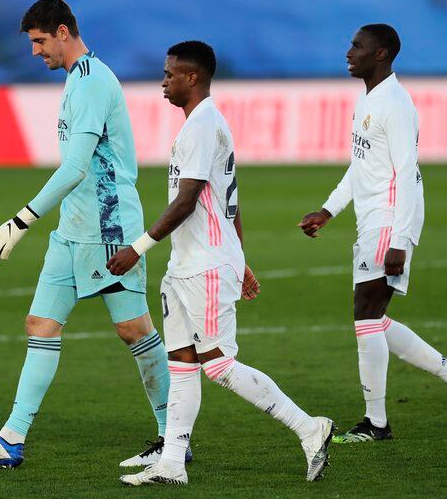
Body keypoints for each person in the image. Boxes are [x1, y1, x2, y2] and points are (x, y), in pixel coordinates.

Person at [0, 0, 187, 468]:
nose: (35, 52)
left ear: (63, 31)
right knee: (41, 325)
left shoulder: (94, 82)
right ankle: (11, 439)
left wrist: (20, 221)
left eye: (39, 41)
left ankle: (173, 439)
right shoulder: (78, 81)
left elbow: (77, 167)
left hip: (109, 230)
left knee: (133, 330)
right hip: (72, 230)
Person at [108, 41, 334, 486]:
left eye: (170, 74)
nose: (164, 81)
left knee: (218, 365)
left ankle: (311, 428)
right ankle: (172, 463)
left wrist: (138, 247)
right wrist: (243, 259)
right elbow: (230, 204)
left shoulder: (203, 125)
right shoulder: (202, 124)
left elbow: (189, 201)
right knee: (182, 363)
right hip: (189, 264)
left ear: (192, 77)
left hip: (205, 265)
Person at [298, 24, 447, 443]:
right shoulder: (368, 98)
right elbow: (360, 165)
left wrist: (399, 239)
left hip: (389, 221)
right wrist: (329, 209)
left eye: (357, 47)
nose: (349, 52)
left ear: (381, 54)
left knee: (365, 315)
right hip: (372, 220)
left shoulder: (396, 105)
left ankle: (377, 423)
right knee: (373, 318)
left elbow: (405, 172)